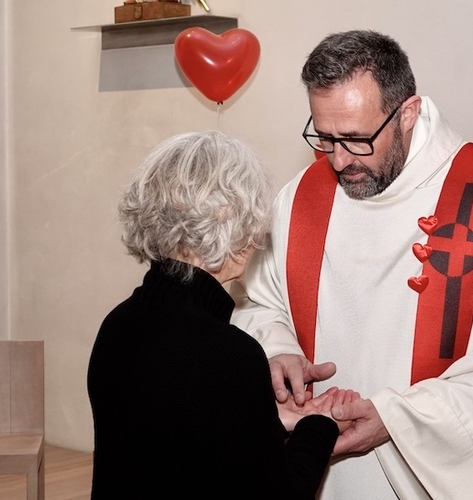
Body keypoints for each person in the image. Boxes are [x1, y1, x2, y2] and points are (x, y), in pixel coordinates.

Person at [231, 30, 473, 499]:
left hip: (425, 480)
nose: (338, 160)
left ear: (408, 113)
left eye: (356, 139)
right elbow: (257, 301)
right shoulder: (300, 198)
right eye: (325, 137)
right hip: (315, 473)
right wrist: (276, 349)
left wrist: (396, 419)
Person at [87, 131, 357, 499]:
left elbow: (170, 451)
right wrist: (319, 426)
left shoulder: (118, 325)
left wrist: (267, 424)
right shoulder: (228, 354)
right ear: (230, 219)